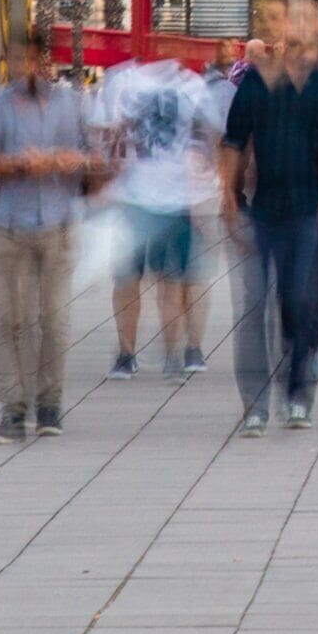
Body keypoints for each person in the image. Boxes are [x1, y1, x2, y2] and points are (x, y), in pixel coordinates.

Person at [221, 2, 318, 432]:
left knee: (299, 302)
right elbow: (233, 140)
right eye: (281, 22)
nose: (289, 29)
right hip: (262, 212)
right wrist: (227, 194)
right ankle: (256, 404)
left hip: (305, 212)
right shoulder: (255, 83)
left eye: (299, 21)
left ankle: (298, 392)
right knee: (253, 306)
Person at [0, 26, 105, 442]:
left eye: (33, 59)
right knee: (9, 321)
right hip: (11, 224)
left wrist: (73, 160)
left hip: (59, 224)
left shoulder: (71, 103)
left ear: (46, 61)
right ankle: (12, 410)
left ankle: (49, 404)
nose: (26, 68)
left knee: (54, 319)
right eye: (18, 60)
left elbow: (97, 162)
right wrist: (17, 164)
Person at [94, 43, 220, 381]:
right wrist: (107, 178)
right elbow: (102, 133)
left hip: (177, 198)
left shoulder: (192, 86)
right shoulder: (122, 81)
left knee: (172, 279)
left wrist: (204, 184)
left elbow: (210, 136)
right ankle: (126, 352)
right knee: (126, 278)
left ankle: (174, 353)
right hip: (132, 198)